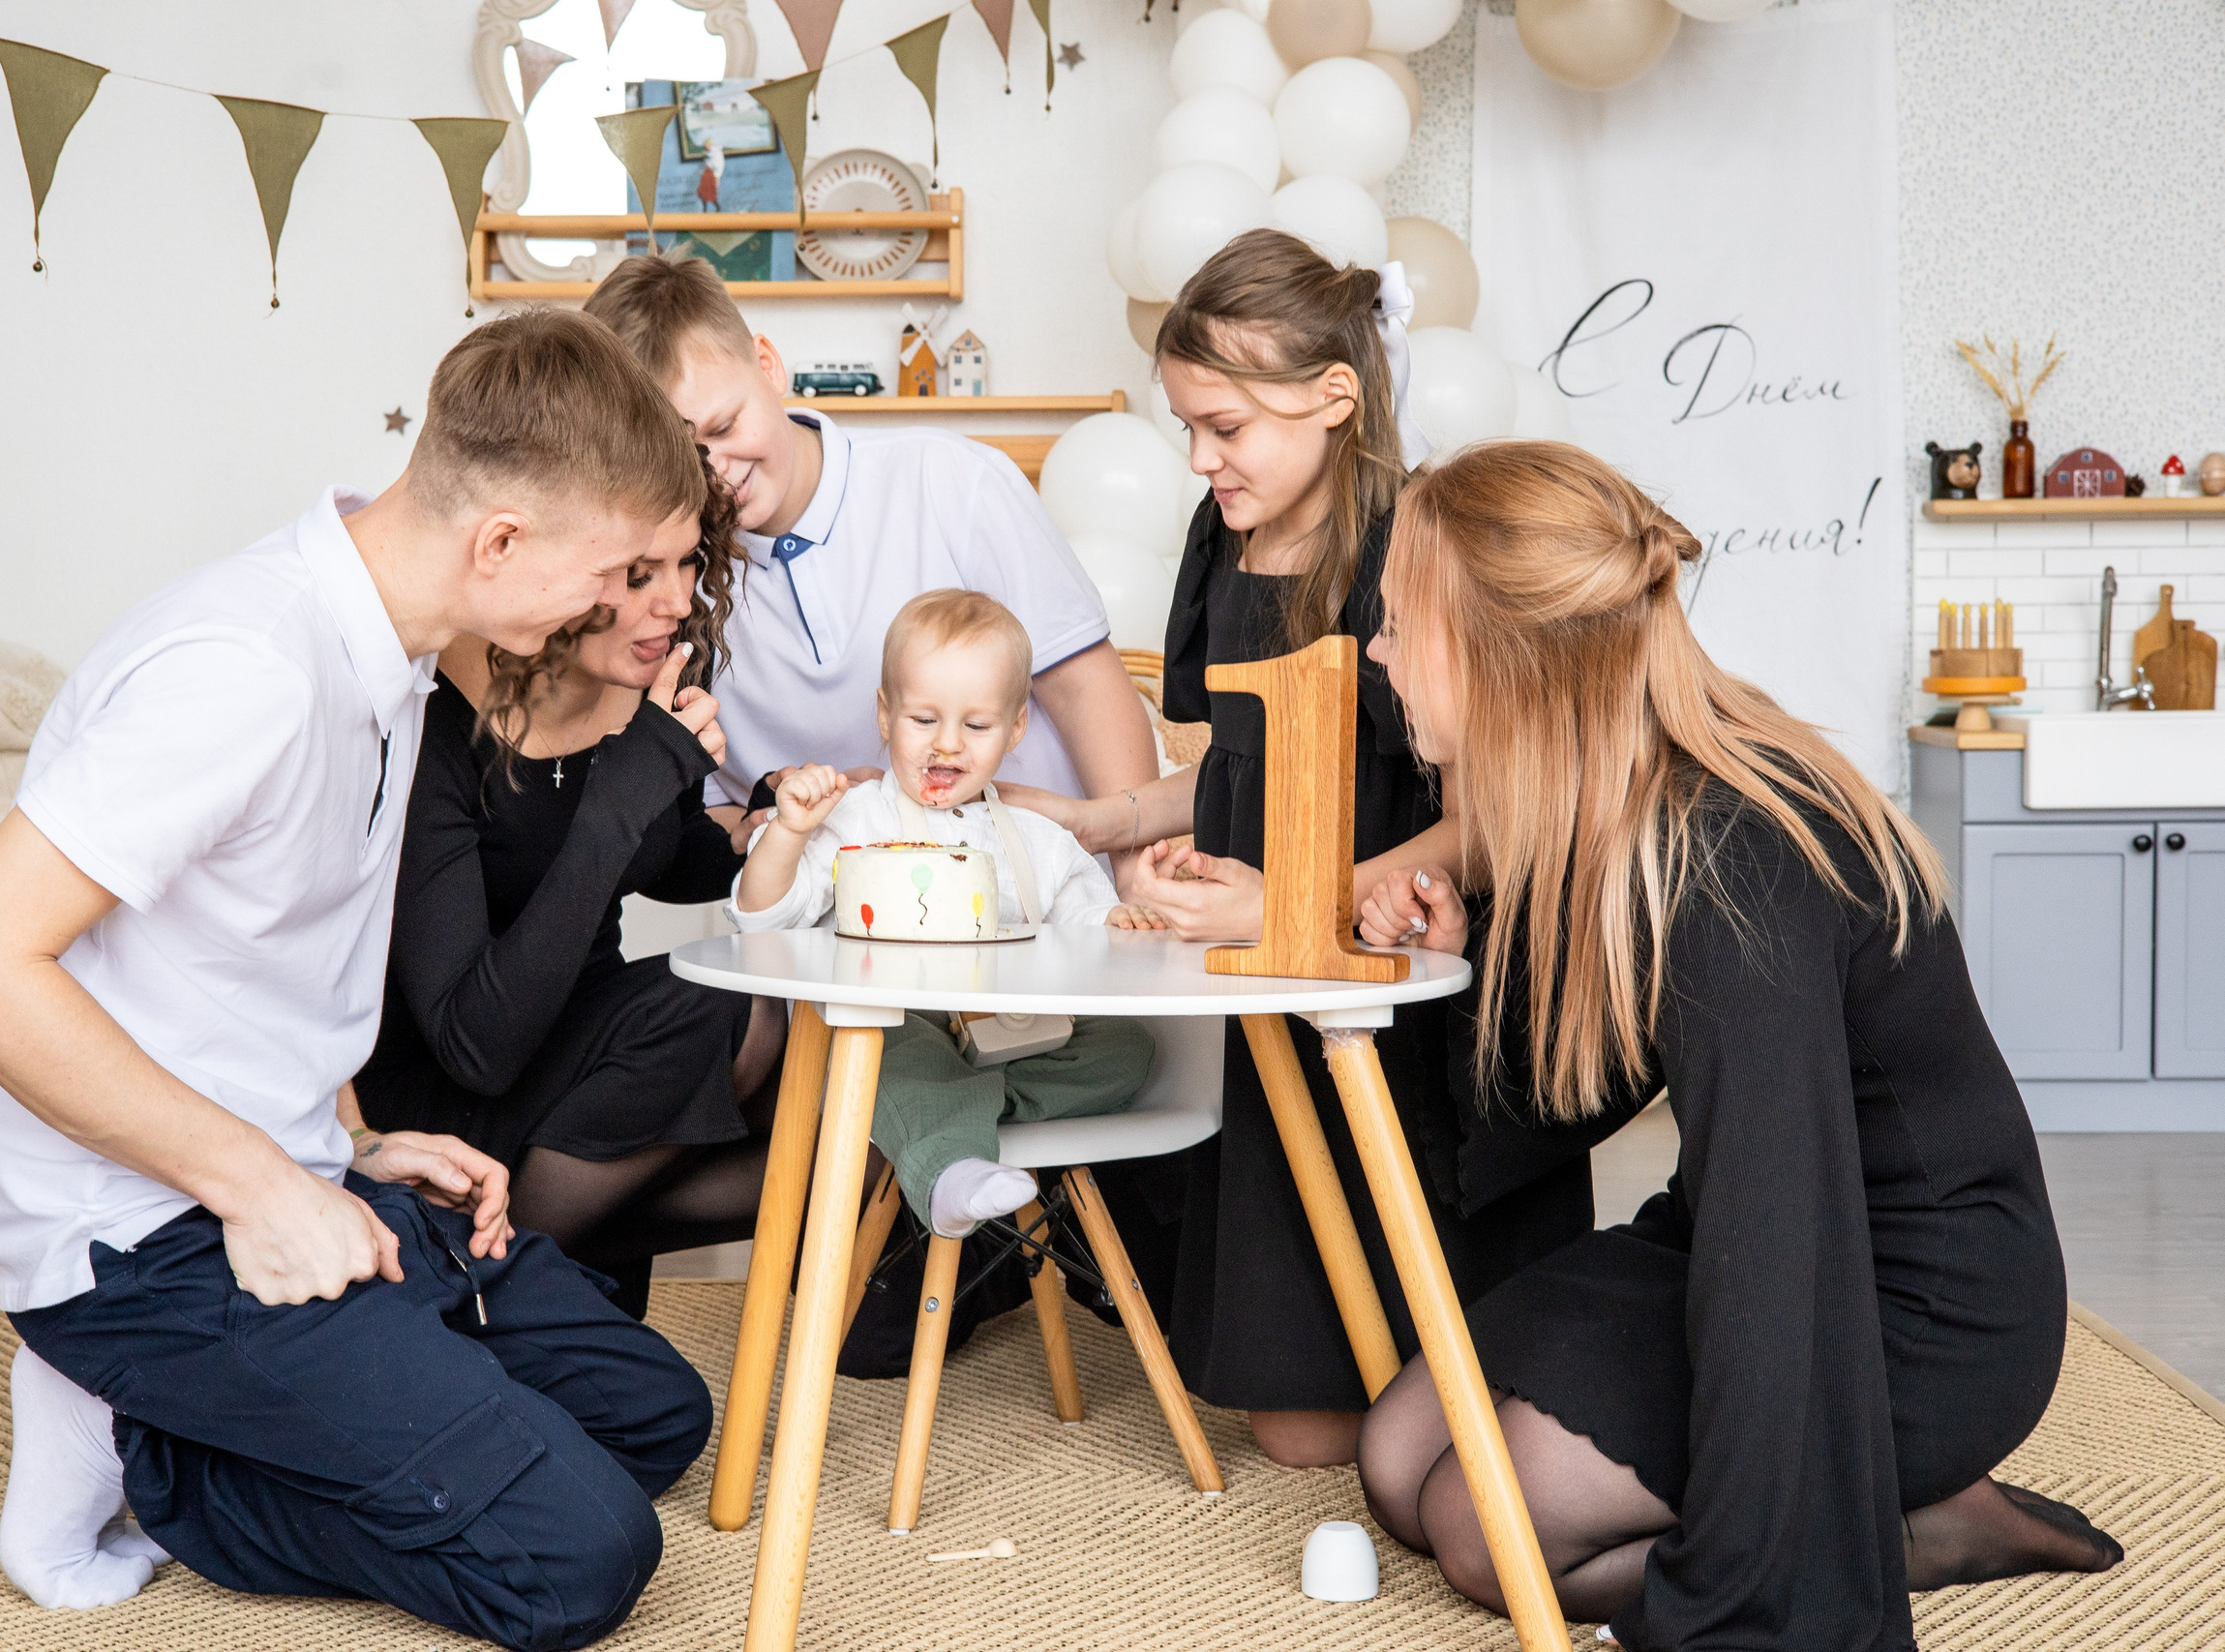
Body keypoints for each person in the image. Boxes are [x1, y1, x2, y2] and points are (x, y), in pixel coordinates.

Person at [0, 311, 720, 1650]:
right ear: (500, 541)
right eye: (611, 567)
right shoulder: (242, 667)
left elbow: (237, 963)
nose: (616, 603)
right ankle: (141, 1443)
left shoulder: (389, 653)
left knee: (651, 1415)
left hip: (285, 1171)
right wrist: (265, 1181)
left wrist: (351, 1140)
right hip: (137, 1235)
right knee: (576, 1554)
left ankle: (333, 1376)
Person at [1349, 441, 2120, 1648]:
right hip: (1749, 1219)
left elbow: (1779, 1239)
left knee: (1478, 1529)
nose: (1377, 651)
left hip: (1915, 1300)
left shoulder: (1734, 860)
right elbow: (1578, 1095)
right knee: (1396, 1461)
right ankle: (1894, 1509)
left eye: (1400, 624)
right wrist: (1473, 948)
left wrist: (1780, 1564)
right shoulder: (1618, 793)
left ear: (1502, 649)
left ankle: (1905, 1523)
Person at [1006, 229, 1625, 1469]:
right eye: (1184, 426)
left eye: (1224, 427)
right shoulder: (1217, 535)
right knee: (1294, 1427)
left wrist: (1296, 903)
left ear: (1334, 399)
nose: (1199, 457)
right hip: (1272, 989)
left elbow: (1509, 815)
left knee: (1418, 1410)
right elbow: (1239, 765)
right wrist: (1106, 820)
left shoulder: (1419, 550)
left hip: (1401, 994)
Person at [355, 455, 784, 1320]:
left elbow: (662, 852)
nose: (676, 602)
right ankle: (483, 1260)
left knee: (825, 1100)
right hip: (455, 1080)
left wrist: (774, 827)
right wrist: (632, 785)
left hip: (589, 1067)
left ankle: (541, 1248)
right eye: (638, 574)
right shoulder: (438, 713)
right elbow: (474, 1041)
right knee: (721, 1002)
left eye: (690, 563)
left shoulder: (651, 677)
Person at [581, 254, 1161, 873]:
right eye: (683, 456)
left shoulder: (951, 482)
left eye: (725, 426)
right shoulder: (672, 591)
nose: (715, 470)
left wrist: (1133, 881)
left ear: (768, 365)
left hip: (1051, 904)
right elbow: (712, 819)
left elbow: (1087, 693)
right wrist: (768, 821)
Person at [728, 589, 1162, 1238]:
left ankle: (954, 1113)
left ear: (1016, 729)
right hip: (893, 1027)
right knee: (886, 1047)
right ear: (885, 714)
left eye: (976, 726)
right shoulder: (853, 818)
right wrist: (789, 831)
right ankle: (952, 1170)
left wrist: (1116, 926)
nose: (947, 744)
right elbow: (760, 918)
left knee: (1128, 1049)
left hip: (1006, 1035)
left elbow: (1086, 928)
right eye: (924, 720)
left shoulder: (1037, 837)